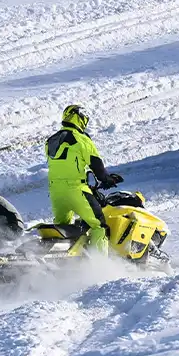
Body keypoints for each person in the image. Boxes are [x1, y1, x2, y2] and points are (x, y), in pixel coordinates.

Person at [44, 104, 122, 254]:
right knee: (98, 224)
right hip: (76, 190)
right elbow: (97, 166)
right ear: (79, 118)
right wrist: (107, 179)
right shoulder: (82, 139)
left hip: (55, 192)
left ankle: (64, 259)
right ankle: (100, 264)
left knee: (63, 228)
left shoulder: (51, 141)